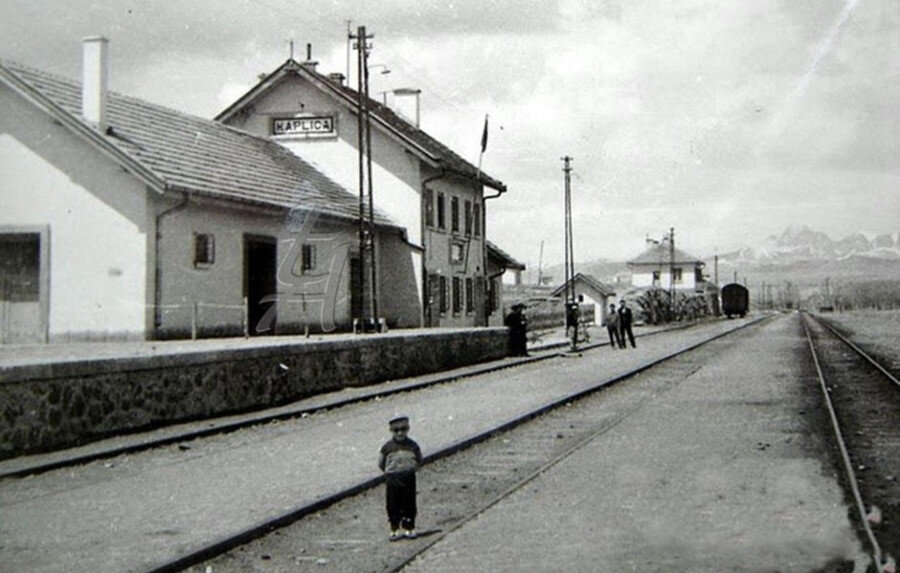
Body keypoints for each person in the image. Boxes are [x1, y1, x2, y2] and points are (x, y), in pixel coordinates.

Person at [378, 416, 423, 541]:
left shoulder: (413, 445)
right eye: (396, 430)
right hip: (393, 479)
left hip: (409, 478)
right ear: (391, 431)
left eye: (403, 429)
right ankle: (394, 528)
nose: (400, 433)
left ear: (408, 429)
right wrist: (390, 472)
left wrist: (411, 469)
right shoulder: (387, 447)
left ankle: (409, 527)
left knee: (409, 502)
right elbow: (381, 463)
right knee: (393, 503)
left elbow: (419, 459)